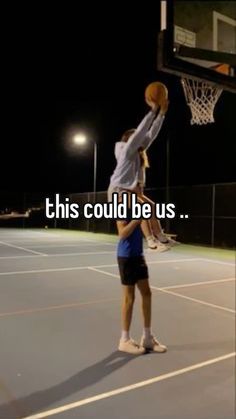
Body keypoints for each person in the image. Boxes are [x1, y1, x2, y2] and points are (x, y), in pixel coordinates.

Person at [108, 99, 173, 250]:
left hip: (127, 189)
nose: (144, 141)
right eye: (139, 139)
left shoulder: (137, 153)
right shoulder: (126, 151)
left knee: (151, 206)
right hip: (118, 190)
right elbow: (141, 132)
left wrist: (161, 114)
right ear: (132, 140)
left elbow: (151, 134)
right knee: (142, 207)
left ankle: (161, 237)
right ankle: (151, 242)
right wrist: (153, 110)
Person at [116, 192, 167, 355]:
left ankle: (147, 337)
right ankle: (124, 340)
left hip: (138, 255)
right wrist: (137, 220)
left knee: (147, 293)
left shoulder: (137, 206)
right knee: (129, 298)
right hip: (126, 256)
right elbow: (122, 233)